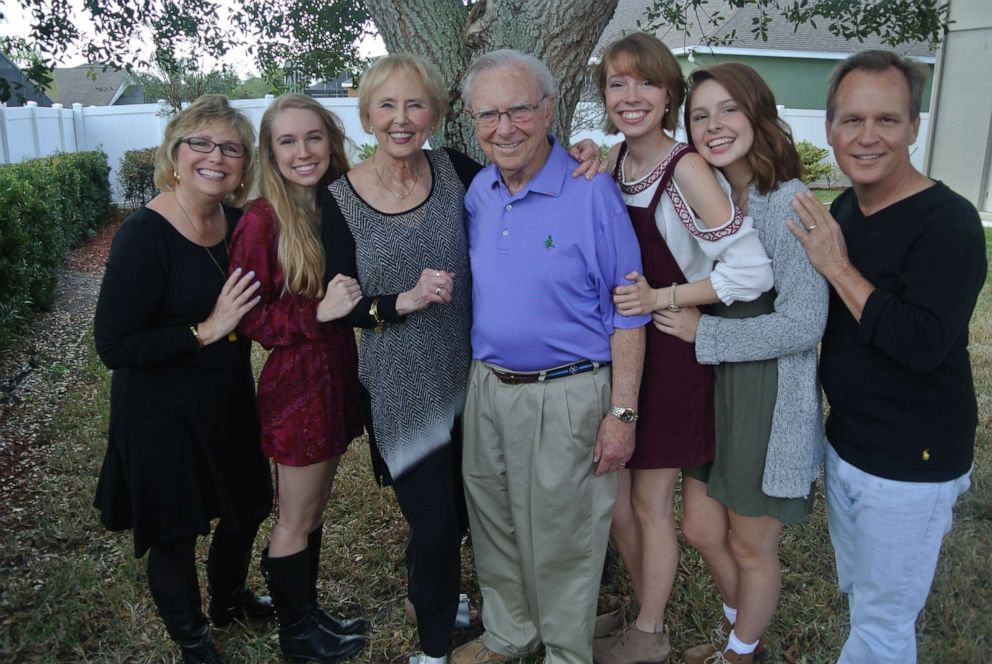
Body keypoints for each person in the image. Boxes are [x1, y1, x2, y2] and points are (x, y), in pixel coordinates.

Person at [449, 49, 649, 664]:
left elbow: (630, 310)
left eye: (519, 110)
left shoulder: (592, 193)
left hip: (567, 391)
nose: (504, 127)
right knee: (495, 522)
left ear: (549, 110)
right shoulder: (479, 190)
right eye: (489, 115)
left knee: (566, 537)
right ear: (471, 120)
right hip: (487, 387)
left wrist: (622, 414)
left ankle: (566, 652)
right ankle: (511, 633)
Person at [789, 50, 986, 664]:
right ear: (829, 129)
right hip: (848, 442)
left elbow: (924, 345)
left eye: (887, 120)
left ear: (914, 128)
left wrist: (837, 267)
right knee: (864, 598)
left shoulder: (947, 223)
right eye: (852, 120)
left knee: (881, 624)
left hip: (912, 460)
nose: (867, 137)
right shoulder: (847, 209)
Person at [590, 34, 774, 664]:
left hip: (670, 356)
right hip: (623, 354)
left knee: (648, 503)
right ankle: (649, 616)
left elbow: (750, 271)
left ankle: (648, 630)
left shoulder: (685, 166)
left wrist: (665, 298)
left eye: (646, 83)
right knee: (617, 505)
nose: (631, 96)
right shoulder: (615, 163)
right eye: (618, 84)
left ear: (669, 95)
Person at [655, 63, 829, 664]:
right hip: (713, 385)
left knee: (752, 545)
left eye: (728, 109)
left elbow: (805, 325)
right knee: (701, 529)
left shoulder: (789, 205)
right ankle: (741, 635)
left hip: (766, 394)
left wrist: (705, 334)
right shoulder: (712, 197)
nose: (713, 125)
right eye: (699, 115)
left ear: (758, 113)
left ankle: (740, 652)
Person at [93, 94, 273, 664]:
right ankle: (194, 639)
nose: (215, 157)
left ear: (244, 164)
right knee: (174, 531)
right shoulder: (143, 234)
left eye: (231, 148)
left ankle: (228, 599)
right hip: (158, 411)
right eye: (201, 143)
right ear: (175, 153)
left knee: (247, 505)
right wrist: (206, 328)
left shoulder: (239, 224)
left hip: (227, 399)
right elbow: (114, 345)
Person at [228, 94, 368, 664]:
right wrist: (319, 312)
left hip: (336, 374)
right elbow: (249, 317)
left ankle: (309, 614)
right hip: (297, 383)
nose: (302, 151)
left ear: (330, 140)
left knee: (312, 513)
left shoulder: (338, 202)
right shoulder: (263, 220)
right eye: (287, 141)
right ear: (271, 152)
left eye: (312, 137)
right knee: (295, 517)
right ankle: (297, 638)